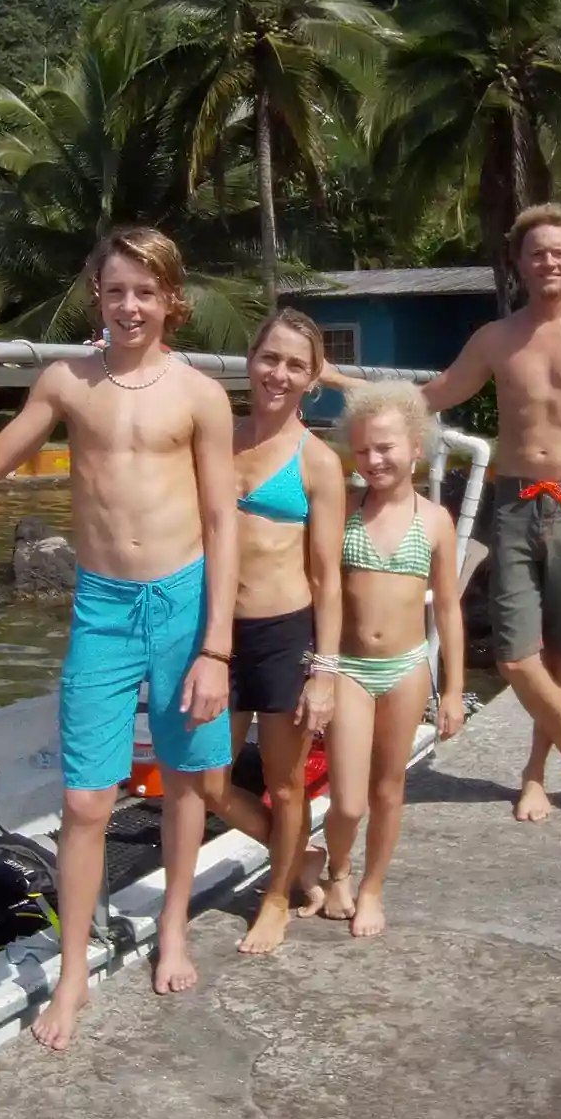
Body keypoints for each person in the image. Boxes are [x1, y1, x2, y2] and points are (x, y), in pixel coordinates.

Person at [0, 226, 237, 1054]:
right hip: (101, 608)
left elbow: (225, 521)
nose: (130, 306)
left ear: (171, 299)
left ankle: (172, 931)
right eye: (116, 289)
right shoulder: (67, 381)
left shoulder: (199, 395)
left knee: (188, 780)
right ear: (98, 292)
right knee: (87, 801)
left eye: (146, 292)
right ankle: (73, 971)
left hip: (184, 603)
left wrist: (217, 648)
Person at [322, 203, 561, 823]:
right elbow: (425, 398)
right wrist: (334, 378)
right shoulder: (495, 339)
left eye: (558, 251)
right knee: (516, 656)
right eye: (535, 252)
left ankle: (537, 774)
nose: (548, 261)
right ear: (518, 263)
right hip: (514, 501)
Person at [202, 310, 345, 955]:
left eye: (296, 365)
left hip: (285, 634)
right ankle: (300, 862)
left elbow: (328, 576)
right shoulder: (215, 439)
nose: (279, 374)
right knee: (209, 781)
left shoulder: (318, 463)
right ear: (249, 360)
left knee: (285, 784)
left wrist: (325, 670)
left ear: (313, 378)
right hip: (215, 635)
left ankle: (278, 897)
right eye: (270, 359)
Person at [318, 383, 466, 936]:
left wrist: (451, 690)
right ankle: (337, 869)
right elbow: (323, 590)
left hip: (406, 669)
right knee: (349, 800)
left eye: (385, 448)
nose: (374, 460)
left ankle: (372, 887)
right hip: (352, 669)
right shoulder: (344, 513)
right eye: (361, 451)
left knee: (389, 789)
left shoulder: (435, 522)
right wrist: (321, 668)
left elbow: (448, 609)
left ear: (416, 447)